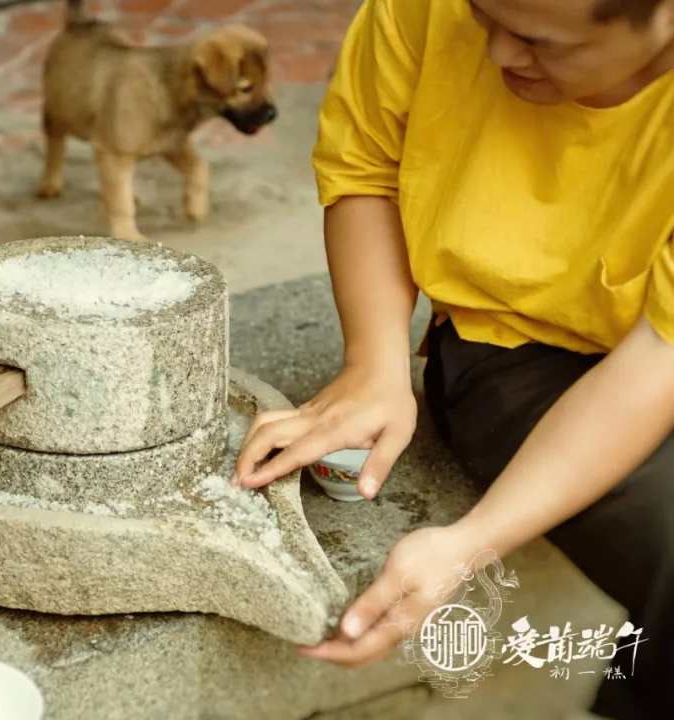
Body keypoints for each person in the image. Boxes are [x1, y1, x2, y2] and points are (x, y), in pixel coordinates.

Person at [232, 0, 674, 717]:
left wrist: (471, 545)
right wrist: (374, 365)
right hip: (518, 351)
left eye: (537, 39)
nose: (498, 53)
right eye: (481, 16)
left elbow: (659, 355)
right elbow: (367, 167)